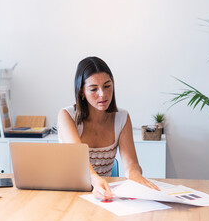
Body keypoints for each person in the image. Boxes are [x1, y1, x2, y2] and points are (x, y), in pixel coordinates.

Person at [58, 56, 159, 200]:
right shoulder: (67, 116)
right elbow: (79, 161)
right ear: (81, 92)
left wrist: (135, 176)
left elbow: (131, 164)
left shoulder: (122, 117)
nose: (103, 94)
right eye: (93, 89)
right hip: (69, 194)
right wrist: (94, 178)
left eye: (107, 86)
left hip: (103, 194)